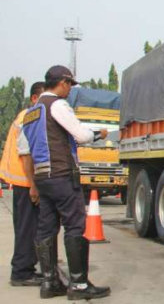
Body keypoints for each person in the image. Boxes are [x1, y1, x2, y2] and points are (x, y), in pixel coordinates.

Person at [20, 66, 110, 300]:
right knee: (75, 225)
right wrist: (98, 133)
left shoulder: (32, 111)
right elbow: (80, 135)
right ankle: (79, 284)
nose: (70, 89)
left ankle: (50, 283)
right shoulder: (57, 105)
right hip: (61, 175)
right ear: (61, 82)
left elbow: (29, 148)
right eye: (69, 84)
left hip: (43, 177)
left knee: (46, 227)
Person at [0, 82, 45, 286]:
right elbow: (26, 155)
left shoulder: (25, 116)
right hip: (25, 182)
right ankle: (21, 272)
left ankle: (24, 268)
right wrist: (34, 185)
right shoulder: (30, 116)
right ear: (34, 99)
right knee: (27, 229)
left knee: (26, 228)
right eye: (44, 98)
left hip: (22, 182)